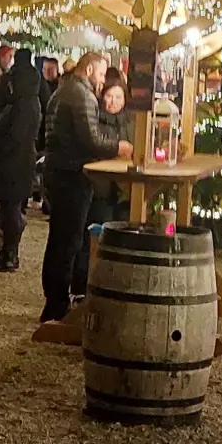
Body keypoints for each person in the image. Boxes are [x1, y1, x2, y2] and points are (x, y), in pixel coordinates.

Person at [40, 52, 130, 322]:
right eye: (101, 74)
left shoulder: (62, 91)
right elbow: (90, 139)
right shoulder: (82, 96)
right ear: (89, 69)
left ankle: (54, 300)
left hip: (57, 172)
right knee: (68, 242)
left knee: (59, 239)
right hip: (73, 175)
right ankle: (56, 308)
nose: (103, 81)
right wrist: (119, 147)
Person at [0, 48, 43, 273]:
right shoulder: (32, 102)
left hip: (11, 163)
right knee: (11, 209)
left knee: (9, 211)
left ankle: (10, 255)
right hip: (23, 161)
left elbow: (10, 136)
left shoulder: (17, 105)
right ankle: (9, 253)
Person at [87, 76, 133, 228]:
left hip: (126, 190)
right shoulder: (95, 121)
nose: (114, 101)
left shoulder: (131, 123)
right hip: (101, 190)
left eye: (118, 97)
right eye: (109, 96)